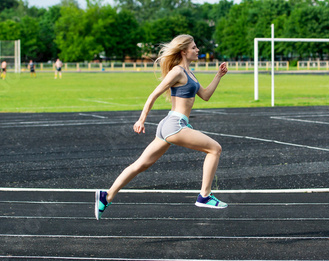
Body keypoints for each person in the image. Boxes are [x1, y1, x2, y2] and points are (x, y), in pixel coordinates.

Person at [95, 34, 229, 220]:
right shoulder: (177, 72)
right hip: (174, 125)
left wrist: (218, 76)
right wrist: (141, 120)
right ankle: (204, 196)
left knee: (140, 165)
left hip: (170, 125)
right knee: (215, 149)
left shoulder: (189, 73)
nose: (197, 50)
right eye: (194, 47)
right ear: (183, 51)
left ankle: (107, 196)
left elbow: (205, 95)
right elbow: (153, 94)